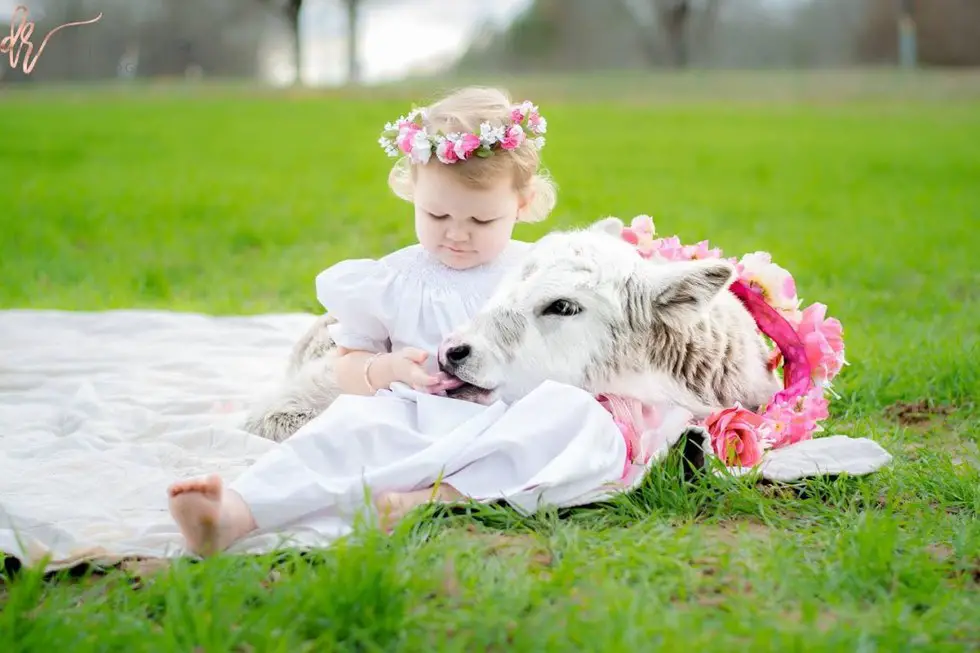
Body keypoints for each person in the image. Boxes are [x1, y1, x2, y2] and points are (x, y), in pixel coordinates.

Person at [166, 86, 630, 557]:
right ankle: (233, 516)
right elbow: (346, 365)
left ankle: (438, 500)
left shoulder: (537, 271)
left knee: (583, 422)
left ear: (523, 204)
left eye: (482, 220)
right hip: (414, 414)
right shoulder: (394, 280)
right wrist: (383, 372)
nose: (456, 233)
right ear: (412, 192)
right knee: (343, 433)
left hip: (511, 416)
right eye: (436, 213)